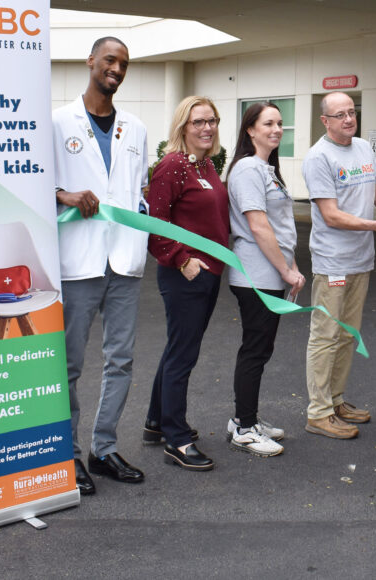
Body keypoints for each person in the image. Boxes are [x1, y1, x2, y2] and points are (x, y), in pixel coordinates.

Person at [53, 36, 148, 495]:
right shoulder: (56, 123)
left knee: (121, 361)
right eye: (110, 60)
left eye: (123, 64)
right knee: (70, 365)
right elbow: (37, 184)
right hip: (79, 261)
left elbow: (137, 193)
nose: (116, 68)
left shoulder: (137, 128)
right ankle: (66, 455)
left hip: (124, 261)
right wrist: (63, 195)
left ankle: (103, 448)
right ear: (90, 61)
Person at [301, 91, 376, 439]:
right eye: (340, 114)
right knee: (326, 335)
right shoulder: (318, 157)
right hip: (333, 261)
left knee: (347, 335)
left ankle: (334, 400)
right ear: (325, 121)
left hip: (361, 259)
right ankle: (317, 413)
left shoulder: (362, 148)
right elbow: (330, 216)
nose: (349, 119)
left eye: (352, 112)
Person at [144, 96, 229, 471]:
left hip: (208, 273)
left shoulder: (205, 164)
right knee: (183, 355)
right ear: (182, 127)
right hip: (186, 275)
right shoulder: (173, 166)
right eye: (198, 122)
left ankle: (156, 421)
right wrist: (182, 259)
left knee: (178, 348)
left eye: (211, 120)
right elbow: (155, 226)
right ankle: (176, 439)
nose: (206, 128)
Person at [223, 102, 306, 457]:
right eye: (268, 123)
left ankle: (246, 418)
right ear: (250, 130)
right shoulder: (246, 170)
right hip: (255, 276)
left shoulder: (267, 168)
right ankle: (244, 427)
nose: (276, 129)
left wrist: (291, 265)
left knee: (262, 348)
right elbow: (257, 224)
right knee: (255, 349)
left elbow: (280, 226)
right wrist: (286, 270)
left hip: (271, 272)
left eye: (280, 123)